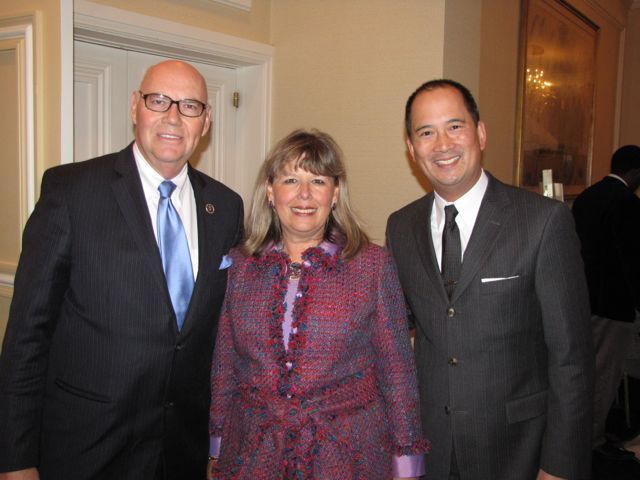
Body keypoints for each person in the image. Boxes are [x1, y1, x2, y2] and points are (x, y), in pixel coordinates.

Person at [0, 60, 243, 480]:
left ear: (205, 122)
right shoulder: (71, 192)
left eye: (189, 106)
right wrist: (15, 459)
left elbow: (219, 336)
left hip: (181, 448)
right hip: (87, 445)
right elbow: (26, 334)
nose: (172, 116)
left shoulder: (225, 206)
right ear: (135, 107)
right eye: (158, 100)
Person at [386, 79, 593, 480]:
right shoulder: (401, 226)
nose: (442, 144)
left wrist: (560, 465)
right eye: (425, 133)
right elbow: (397, 325)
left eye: (455, 126)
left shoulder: (542, 221)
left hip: (517, 448)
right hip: (431, 446)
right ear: (412, 149)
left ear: (480, 134)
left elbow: (572, 358)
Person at [207, 129, 429, 479]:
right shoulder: (242, 266)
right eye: (291, 179)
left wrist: (407, 463)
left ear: (336, 192)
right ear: (269, 190)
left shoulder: (371, 265)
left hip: (347, 455)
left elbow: (397, 372)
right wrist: (216, 446)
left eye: (319, 181)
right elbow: (225, 363)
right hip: (253, 453)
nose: (304, 194)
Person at [572, 144, 640, 461]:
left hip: (583, 298)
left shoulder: (586, 196)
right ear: (635, 172)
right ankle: (592, 440)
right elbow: (632, 260)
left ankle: (577, 433)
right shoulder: (627, 203)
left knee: (584, 371)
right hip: (612, 303)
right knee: (604, 373)